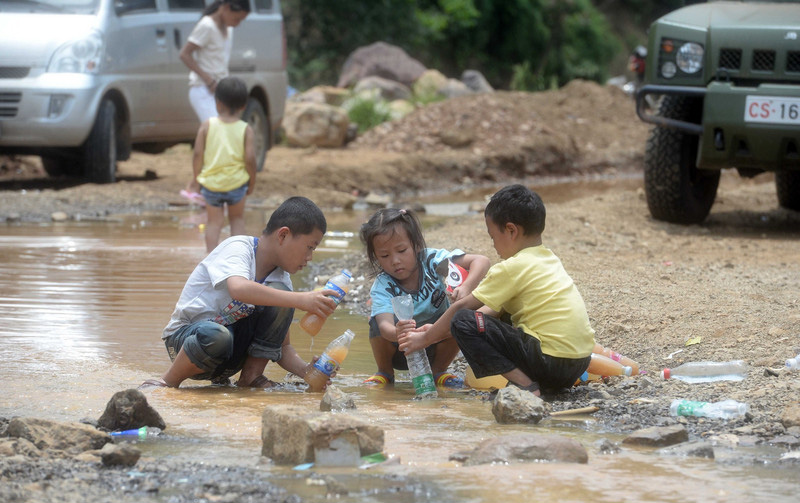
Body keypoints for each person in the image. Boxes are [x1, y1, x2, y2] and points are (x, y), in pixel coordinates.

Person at [398, 185, 595, 396]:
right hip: (577, 364)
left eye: (493, 237)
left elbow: (464, 311)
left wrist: (424, 340)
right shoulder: (548, 258)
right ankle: (534, 382)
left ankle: (526, 385)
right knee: (489, 315)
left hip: (550, 362)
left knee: (462, 319)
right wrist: (436, 331)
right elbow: (485, 315)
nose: (493, 245)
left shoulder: (512, 267)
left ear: (511, 230)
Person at [140, 196, 338, 389]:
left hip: (226, 356)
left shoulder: (281, 279)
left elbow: (281, 346)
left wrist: (306, 371)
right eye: (309, 247)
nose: (310, 257)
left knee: (279, 297)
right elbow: (239, 289)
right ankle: (168, 381)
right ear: (283, 235)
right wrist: (300, 300)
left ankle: (250, 377)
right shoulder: (238, 248)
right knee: (216, 334)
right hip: (187, 342)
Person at [359, 208, 490, 388]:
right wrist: (397, 332)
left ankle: (438, 371)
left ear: (416, 245)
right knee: (374, 322)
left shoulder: (432, 261)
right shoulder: (383, 285)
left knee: (458, 316)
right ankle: (385, 372)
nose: (395, 260)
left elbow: (481, 261)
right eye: (385, 255)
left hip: (436, 342)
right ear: (376, 257)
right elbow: (383, 326)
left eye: (402, 250)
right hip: (402, 348)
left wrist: (466, 287)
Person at [179, 0, 251, 205]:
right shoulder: (206, 26)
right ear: (226, 7)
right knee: (214, 136)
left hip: (220, 91)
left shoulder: (228, 29)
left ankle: (202, 186)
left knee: (219, 137)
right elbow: (185, 54)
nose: (237, 23)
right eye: (237, 18)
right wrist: (207, 78)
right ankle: (196, 186)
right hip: (202, 89)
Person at [189, 76, 256, 253]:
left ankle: (211, 259)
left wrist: (196, 180)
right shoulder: (245, 129)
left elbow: (197, 154)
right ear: (243, 106)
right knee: (237, 220)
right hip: (237, 183)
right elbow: (250, 159)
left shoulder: (207, 125)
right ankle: (236, 258)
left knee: (213, 223)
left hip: (211, 185)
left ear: (217, 103)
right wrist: (252, 182)